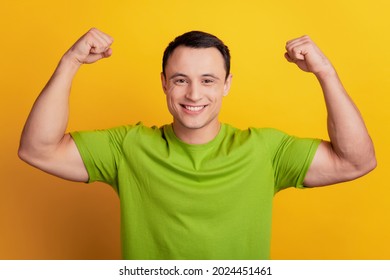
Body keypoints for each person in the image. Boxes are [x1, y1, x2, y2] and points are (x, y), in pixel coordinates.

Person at [18, 28, 376, 259]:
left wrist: (326, 73)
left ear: (226, 84)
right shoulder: (128, 147)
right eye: (180, 80)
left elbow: (355, 161)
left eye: (207, 80)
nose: (193, 94)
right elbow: (38, 149)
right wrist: (71, 62)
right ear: (163, 83)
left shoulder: (264, 151)